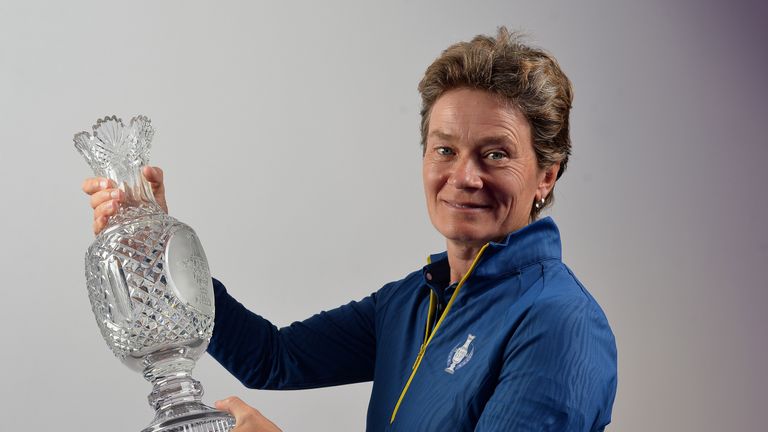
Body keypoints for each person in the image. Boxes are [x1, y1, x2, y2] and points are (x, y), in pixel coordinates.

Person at [83, 27, 617, 431]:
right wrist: (160, 251)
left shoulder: (560, 323)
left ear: (546, 174)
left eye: (495, 153)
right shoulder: (413, 301)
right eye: (445, 149)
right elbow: (273, 358)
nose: (464, 176)